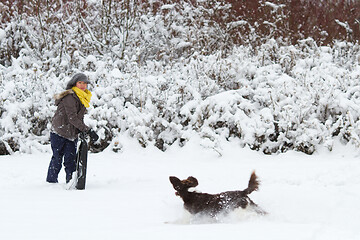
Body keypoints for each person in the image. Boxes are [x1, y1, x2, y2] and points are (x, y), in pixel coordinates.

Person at [46, 73, 99, 183]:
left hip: (70, 133)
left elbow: (79, 118)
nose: (83, 85)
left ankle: (71, 182)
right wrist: (87, 130)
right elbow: (72, 118)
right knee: (57, 158)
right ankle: (51, 183)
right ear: (74, 83)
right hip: (59, 132)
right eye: (80, 83)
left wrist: (81, 130)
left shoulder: (83, 97)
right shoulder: (70, 97)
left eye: (85, 83)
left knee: (70, 160)